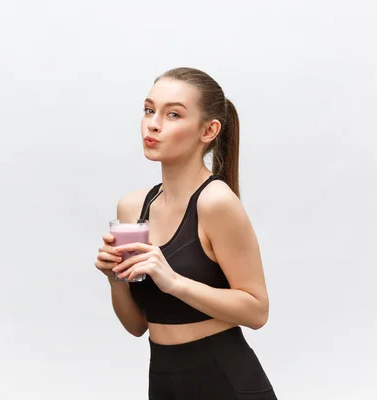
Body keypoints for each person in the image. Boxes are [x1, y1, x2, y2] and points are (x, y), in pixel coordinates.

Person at [94, 67, 278, 399]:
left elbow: (257, 311)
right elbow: (138, 326)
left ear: (209, 130)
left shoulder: (216, 203)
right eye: (149, 109)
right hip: (163, 382)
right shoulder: (133, 208)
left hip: (226, 383)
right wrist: (114, 279)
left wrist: (174, 281)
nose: (153, 123)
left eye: (173, 114)